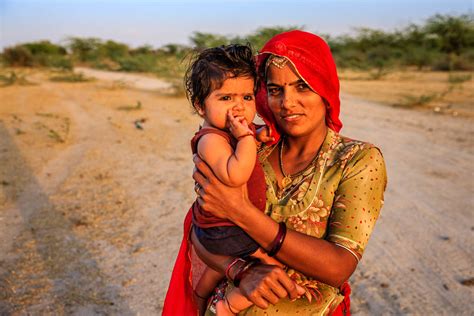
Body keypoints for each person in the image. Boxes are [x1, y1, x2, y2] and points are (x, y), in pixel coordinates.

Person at [165, 30, 387, 315]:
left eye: (303, 86)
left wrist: (241, 212)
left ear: (326, 88)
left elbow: (338, 268)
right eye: (274, 90)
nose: (287, 102)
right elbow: (203, 229)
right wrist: (241, 271)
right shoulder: (250, 149)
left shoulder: (356, 160)